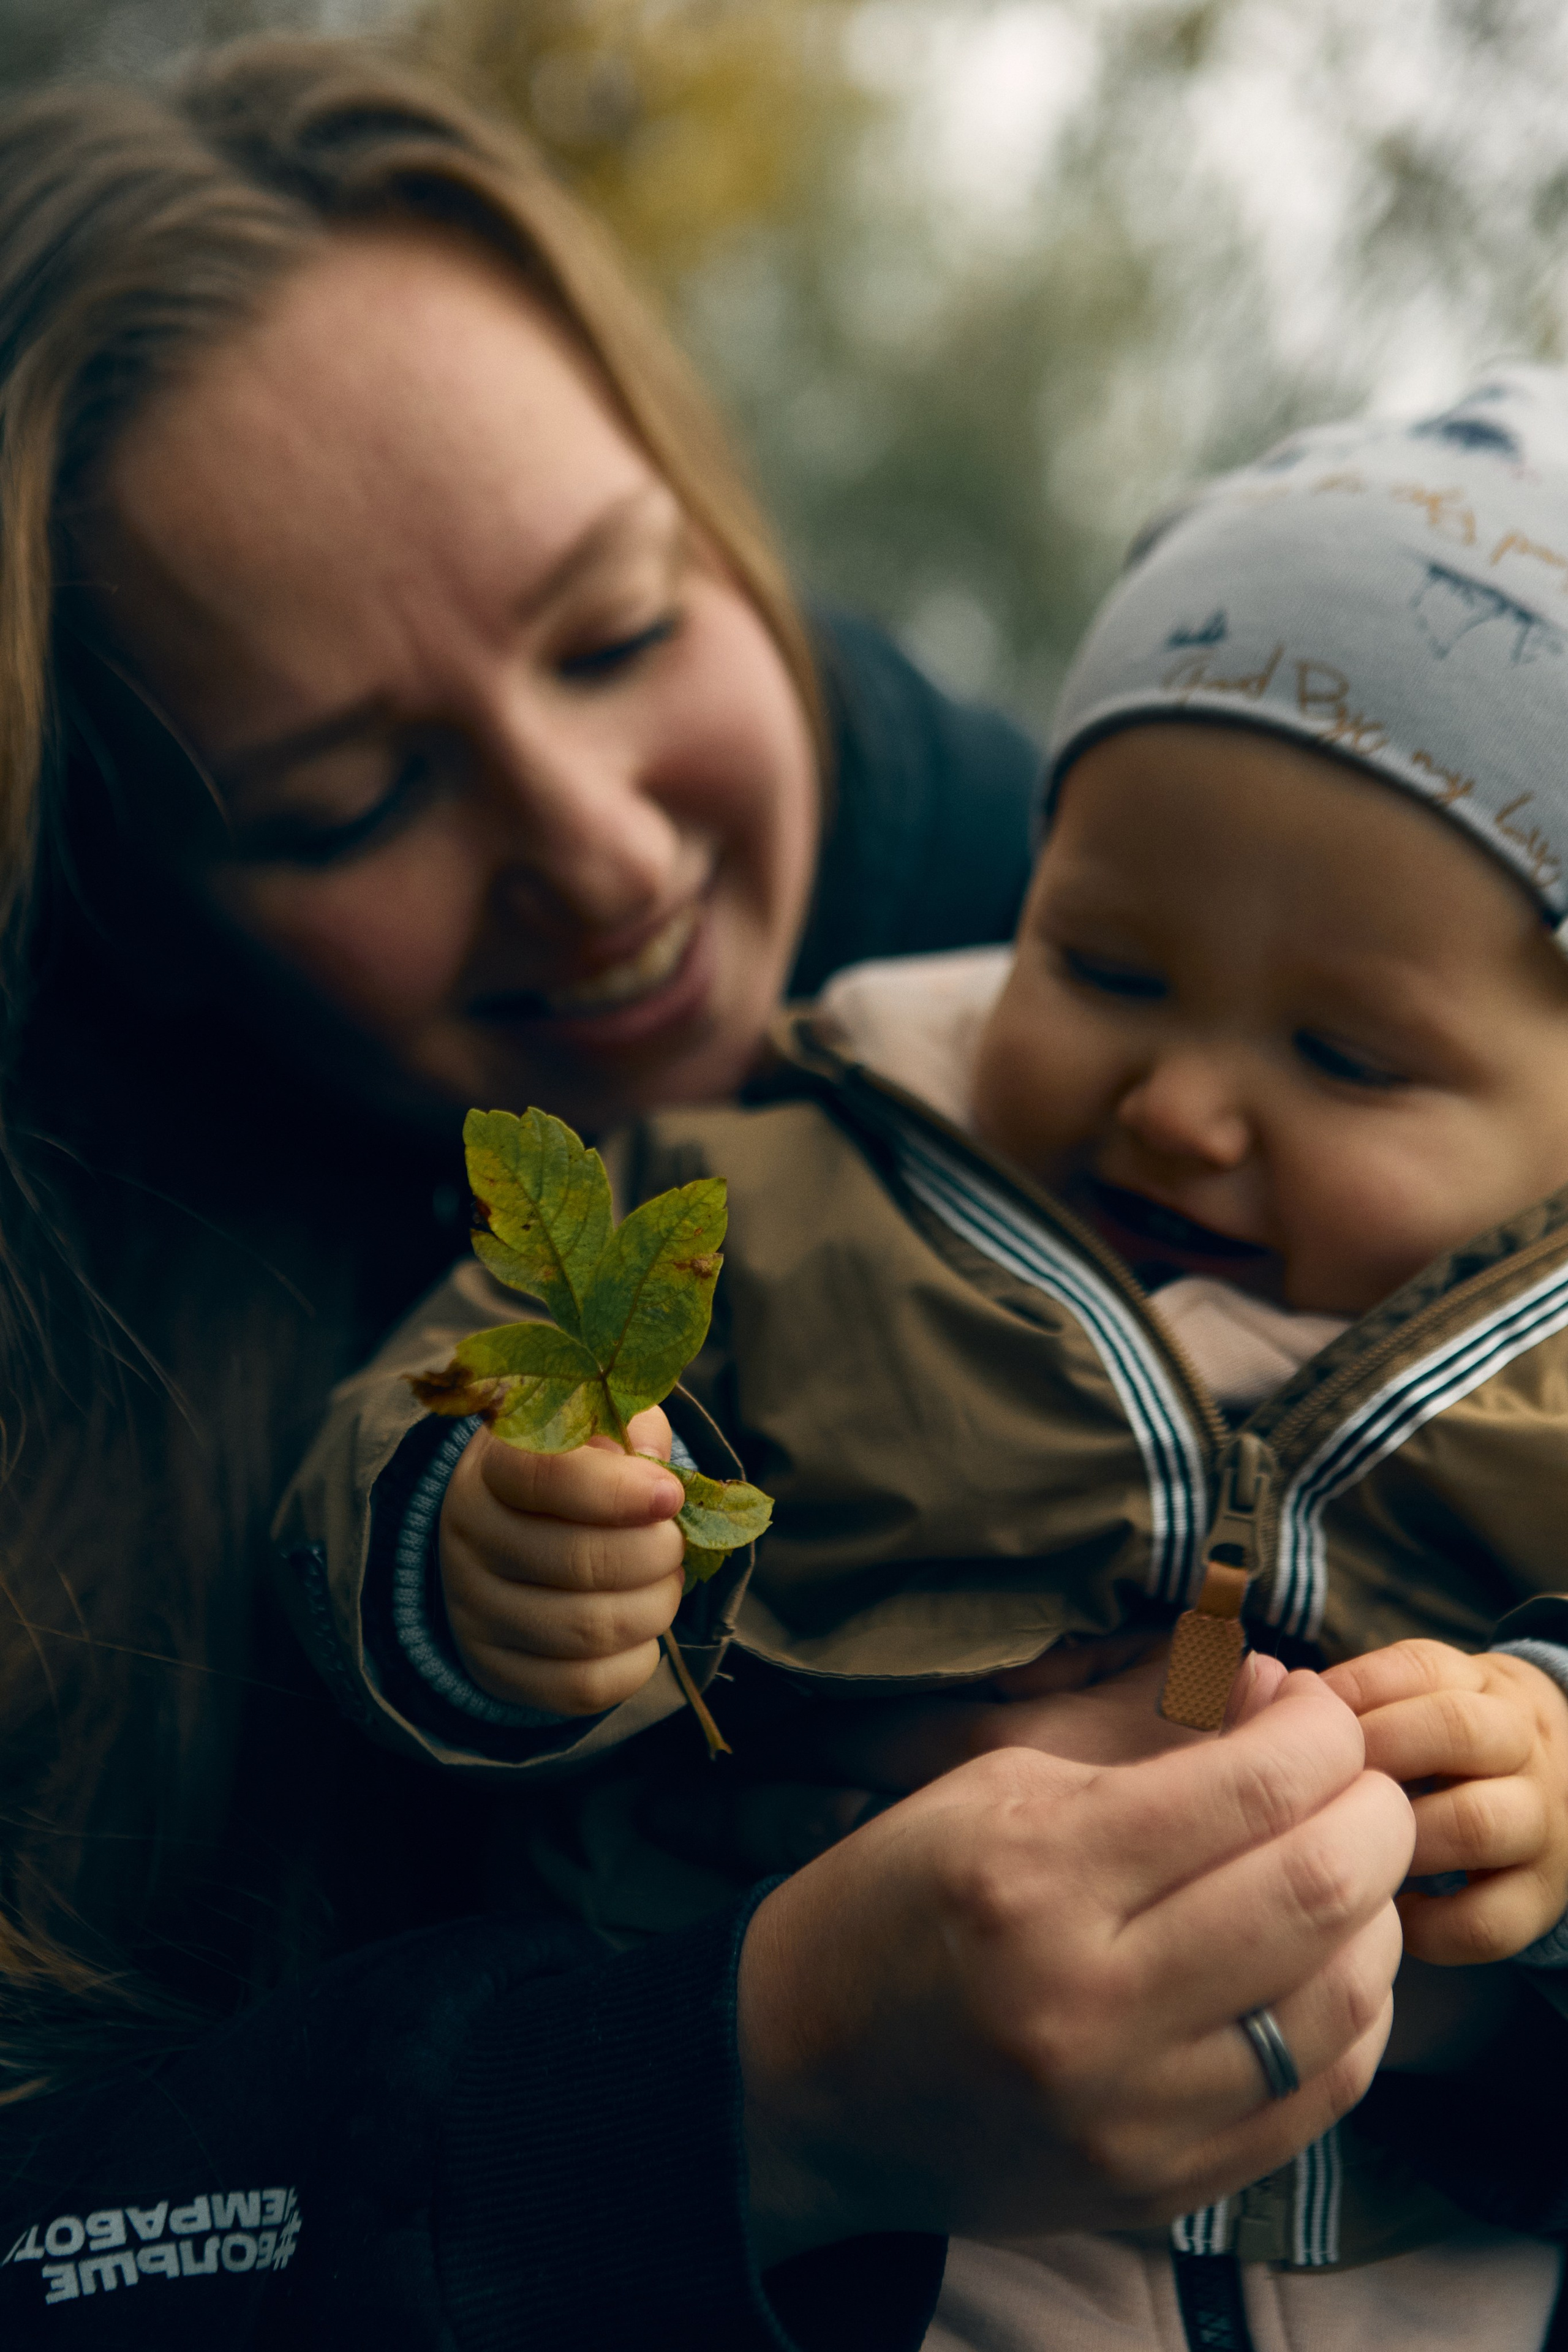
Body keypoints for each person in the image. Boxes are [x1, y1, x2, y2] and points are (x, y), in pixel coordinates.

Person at [0, 32, 1415, 2350]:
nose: (608, 853)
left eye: (624, 627)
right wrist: (753, 2087)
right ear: (132, 913)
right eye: (355, 801)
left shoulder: (1097, 955)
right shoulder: (92, 1375)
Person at [290, 368, 1568, 2346]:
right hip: (870, 2237)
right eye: (1106, 966)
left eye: (1346, 1056)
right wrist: (477, 1534)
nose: (1178, 1108)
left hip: (1419, 2264)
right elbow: (453, 1379)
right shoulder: (787, 1195)